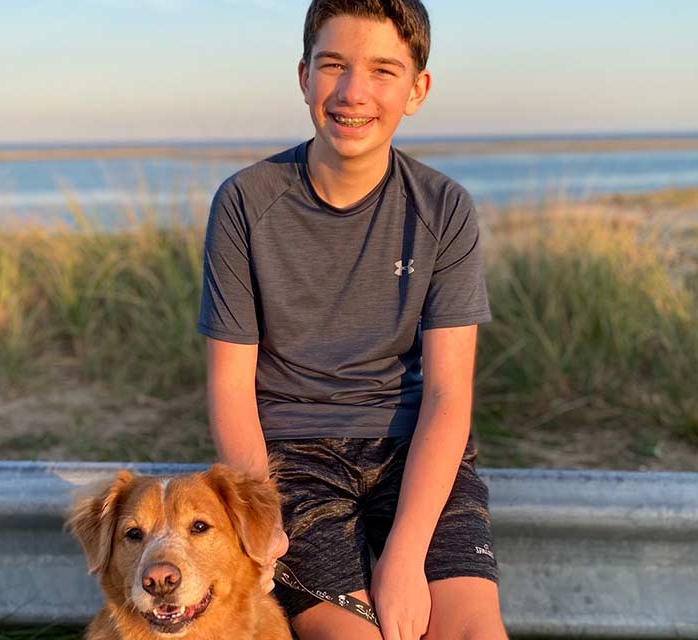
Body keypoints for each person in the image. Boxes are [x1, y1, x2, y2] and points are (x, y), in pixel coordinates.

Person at [197, 1, 507, 638]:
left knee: (473, 630)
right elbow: (231, 386)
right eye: (333, 65)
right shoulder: (245, 202)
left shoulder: (443, 206)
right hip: (291, 455)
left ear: (418, 89)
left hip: (410, 446)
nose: (353, 92)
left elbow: (449, 395)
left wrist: (404, 558)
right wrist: (263, 521)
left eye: (383, 71)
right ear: (304, 74)